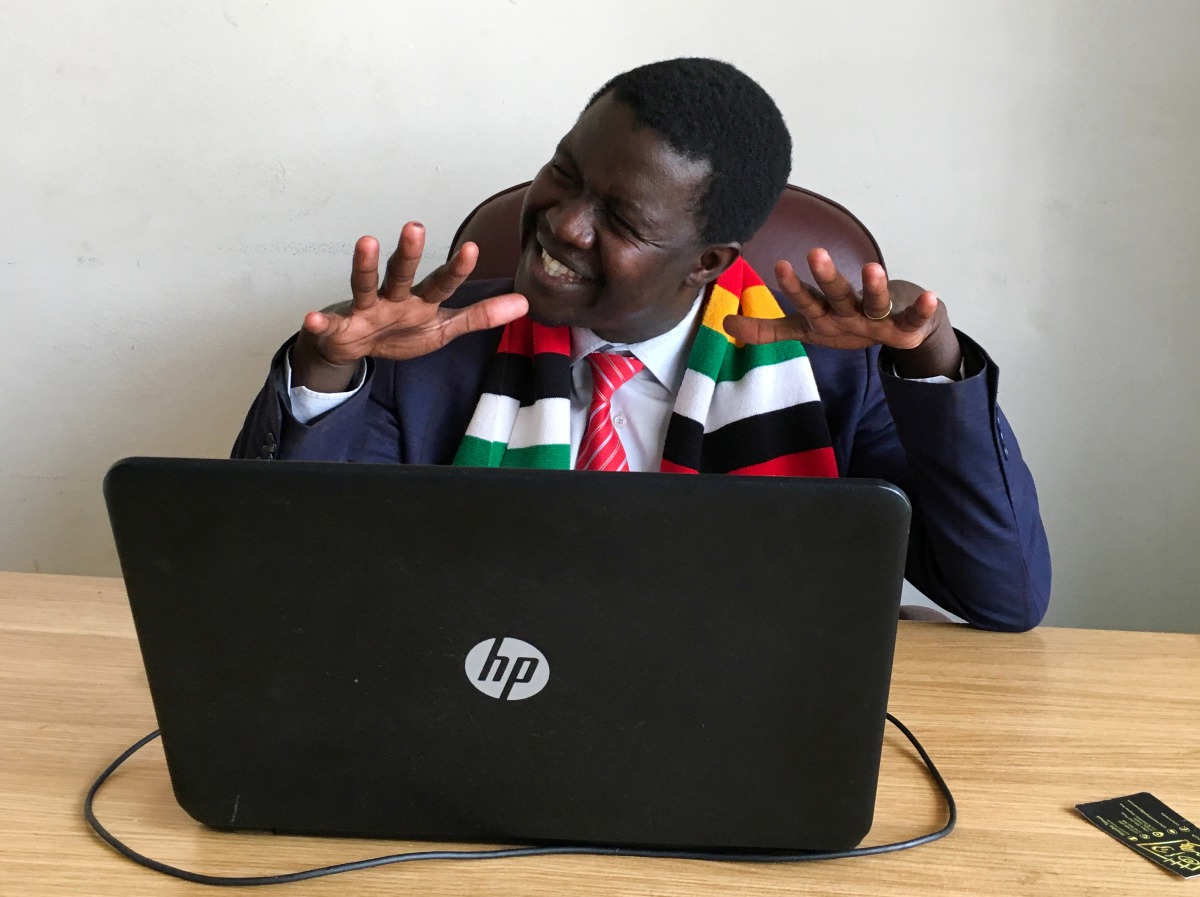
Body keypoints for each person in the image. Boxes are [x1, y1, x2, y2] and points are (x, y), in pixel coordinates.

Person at [233, 58, 1050, 632]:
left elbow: (1003, 596)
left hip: (736, 724)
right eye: (563, 173)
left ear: (707, 262)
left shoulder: (832, 373)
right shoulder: (434, 344)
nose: (562, 223)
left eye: (620, 221)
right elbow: (279, 577)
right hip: (484, 700)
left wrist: (929, 360)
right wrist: (329, 370)